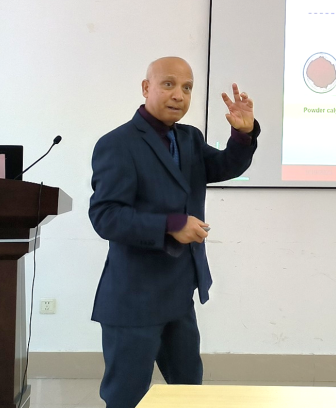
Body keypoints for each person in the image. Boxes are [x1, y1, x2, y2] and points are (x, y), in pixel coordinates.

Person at [89, 57, 258, 408]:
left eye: (187, 87)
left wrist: (242, 135)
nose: (179, 95)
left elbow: (224, 166)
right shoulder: (118, 143)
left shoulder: (189, 138)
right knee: (126, 398)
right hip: (133, 298)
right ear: (145, 87)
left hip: (179, 293)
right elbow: (105, 216)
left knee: (188, 393)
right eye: (168, 84)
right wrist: (171, 224)